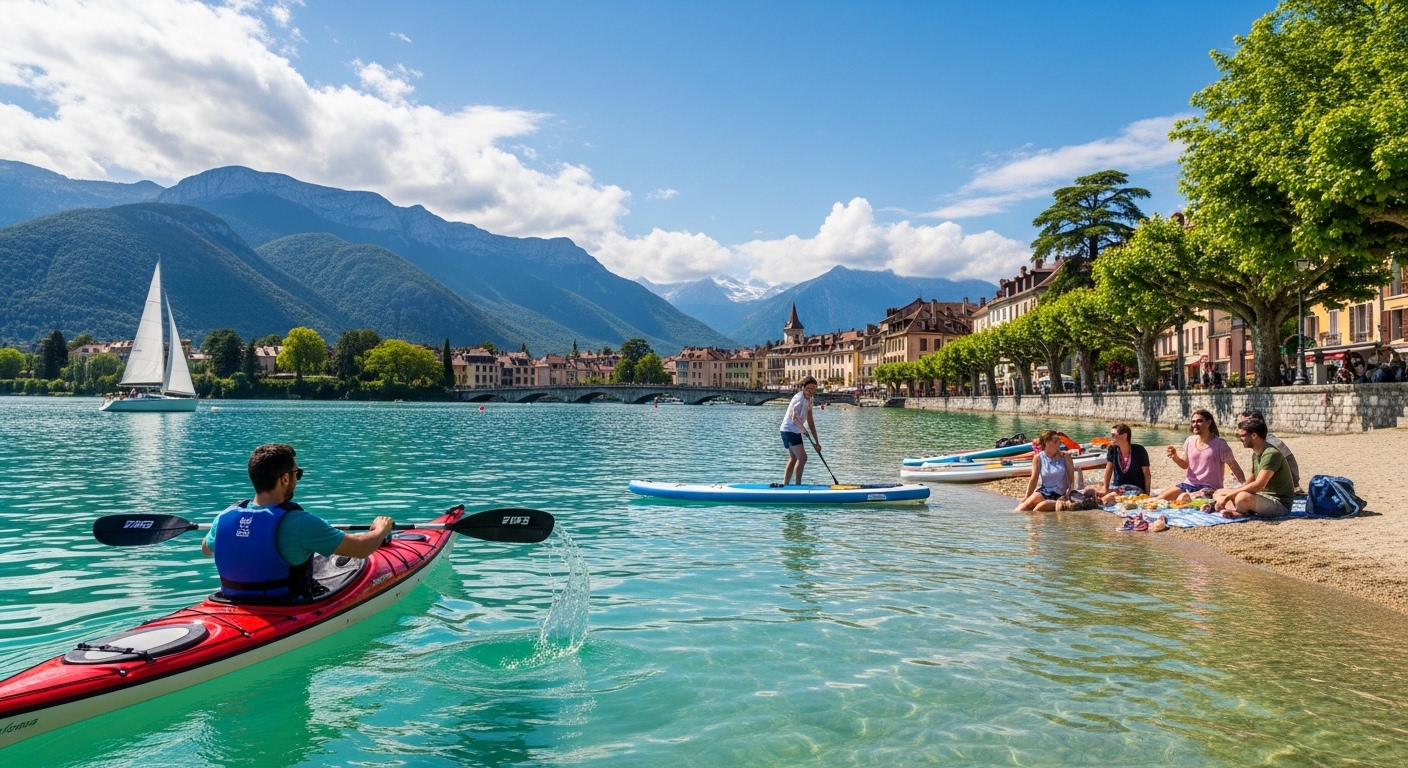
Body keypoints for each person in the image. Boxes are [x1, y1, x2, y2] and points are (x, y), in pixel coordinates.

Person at [201, 443, 394, 601]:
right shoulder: (300, 524)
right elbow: (362, 549)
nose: (297, 479)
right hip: (283, 608)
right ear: (285, 479)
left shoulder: (224, 517)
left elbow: (206, 549)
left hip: (231, 603)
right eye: (297, 474)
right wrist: (380, 528)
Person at [1214, 417, 1295, 518]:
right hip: (1261, 497)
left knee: (1241, 497)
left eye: (1243, 435)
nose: (1240, 439)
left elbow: (1259, 484)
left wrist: (1228, 497)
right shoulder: (1256, 454)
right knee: (1219, 492)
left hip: (1279, 505)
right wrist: (1229, 493)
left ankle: (1239, 511)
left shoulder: (1271, 454)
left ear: (1254, 435)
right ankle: (1239, 509)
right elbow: (1250, 482)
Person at [1158, 409, 1246, 501]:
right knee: (1161, 498)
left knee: (1184, 499)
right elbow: (1184, 464)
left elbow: (1233, 465)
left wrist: (1244, 485)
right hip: (1189, 484)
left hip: (1210, 488)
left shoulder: (1220, 444)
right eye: (1193, 421)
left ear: (1208, 423)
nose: (1195, 424)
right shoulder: (1189, 441)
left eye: (1199, 421)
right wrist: (1175, 457)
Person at [1083, 423, 1151, 506]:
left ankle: (1094, 503)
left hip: (1134, 488)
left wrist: (1147, 493)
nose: (1111, 438)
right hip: (1117, 486)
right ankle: (1095, 501)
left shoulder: (1139, 450)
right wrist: (1105, 488)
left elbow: (1146, 473)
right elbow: (1108, 470)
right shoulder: (1113, 450)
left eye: (1114, 435)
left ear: (1124, 435)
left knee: (1107, 498)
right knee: (1088, 491)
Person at [1015, 430, 1076, 512]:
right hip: (1045, 491)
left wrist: (1069, 493)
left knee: (1038, 509)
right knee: (1025, 506)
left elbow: (1071, 480)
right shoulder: (1038, 458)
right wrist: (1026, 497)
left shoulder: (1066, 457)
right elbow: (1033, 479)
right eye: (1055, 440)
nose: (1059, 443)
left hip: (1060, 494)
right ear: (1046, 442)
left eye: (1058, 440)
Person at [1237, 410, 1300, 489]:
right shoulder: (1262, 443)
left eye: (1243, 424)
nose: (1239, 428)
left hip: (1284, 487)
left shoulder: (1271, 445)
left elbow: (1260, 482)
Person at [780, 377, 820, 485]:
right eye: (808, 389)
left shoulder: (810, 400)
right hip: (788, 429)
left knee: (793, 458)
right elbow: (794, 418)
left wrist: (817, 442)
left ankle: (786, 485)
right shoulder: (798, 399)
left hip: (795, 430)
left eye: (813, 389)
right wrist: (803, 430)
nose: (810, 391)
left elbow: (810, 420)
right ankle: (798, 485)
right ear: (803, 388)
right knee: (802, 457)